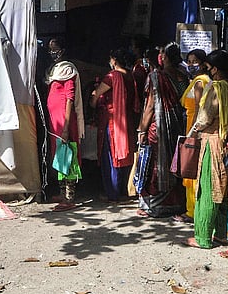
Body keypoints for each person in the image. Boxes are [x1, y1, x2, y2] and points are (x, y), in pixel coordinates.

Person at [186, 50, 228, 248]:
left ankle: (203, 237)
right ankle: (222, 234)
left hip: (210, 142)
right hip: (223, 142)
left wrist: (193, 131)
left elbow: (205, 118)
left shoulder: (215, 87)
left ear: (214, 69)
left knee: (207, 190)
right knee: (221, 192)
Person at [136, 43, 188, 218]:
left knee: (156, 163)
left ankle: (154, 204)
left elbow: (150, 106)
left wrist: (142, 130)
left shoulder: (156, 77)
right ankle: (177, 202)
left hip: (158, 126)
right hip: (178, 126)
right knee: (174, 162)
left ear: (164, 57)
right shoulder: (183, 76)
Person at [90, 48, 137, 203]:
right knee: (124, 156)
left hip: (113, 123)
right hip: (127, 121)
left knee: (112, 157)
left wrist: (93, 102)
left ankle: (113, 193)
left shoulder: (112, 76)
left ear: (114, 60)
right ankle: (123, 190)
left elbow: (96, 95)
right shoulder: (130, 76)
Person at [46, 38, 85, 211]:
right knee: (59, 158)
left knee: (68, 158)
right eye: (50, 50)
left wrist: (66, 127)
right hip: (56, 122)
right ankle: (62, 193)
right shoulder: (54, 70)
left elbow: (70, 99)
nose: (52, 53)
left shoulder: (68, 70)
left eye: (55, 49)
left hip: (64, 122)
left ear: (62, 50)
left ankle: (69, 198)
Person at [177, 49, 211, 222]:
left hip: (193, 126)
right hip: (191, 125)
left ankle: (192, 211)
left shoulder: (200, 82)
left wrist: (193, 132)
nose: (190, 65)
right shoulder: (198, 81)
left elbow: (199, 109)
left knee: (191, 167)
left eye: (194, 61)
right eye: (188, 61)